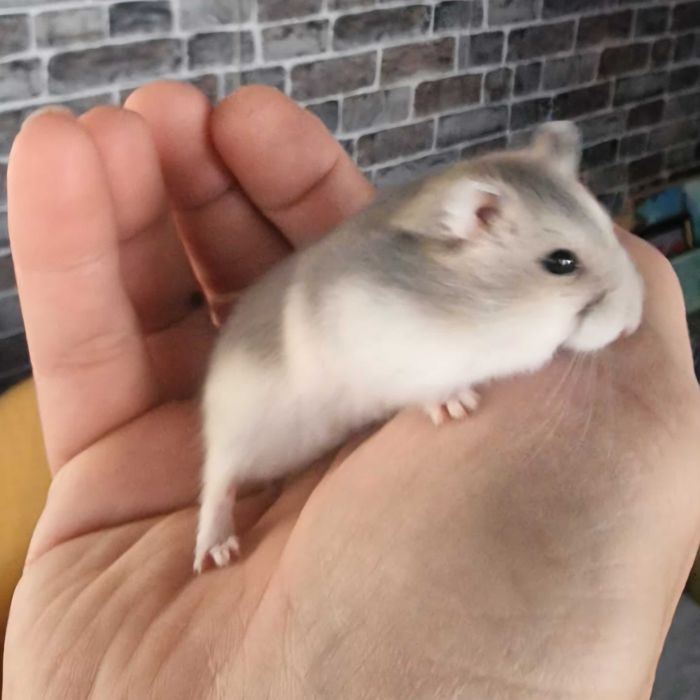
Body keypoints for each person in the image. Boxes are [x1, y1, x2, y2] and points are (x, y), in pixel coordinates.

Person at [2, 82, 699, 699]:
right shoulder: (376, 294)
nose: (619, 306)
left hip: (332, 416)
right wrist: (432, 386)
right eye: (562, 264)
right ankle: (217, 502)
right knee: (236, 440)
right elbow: (353, 344)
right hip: (265, 380)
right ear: (475, 220)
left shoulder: (463, 310)